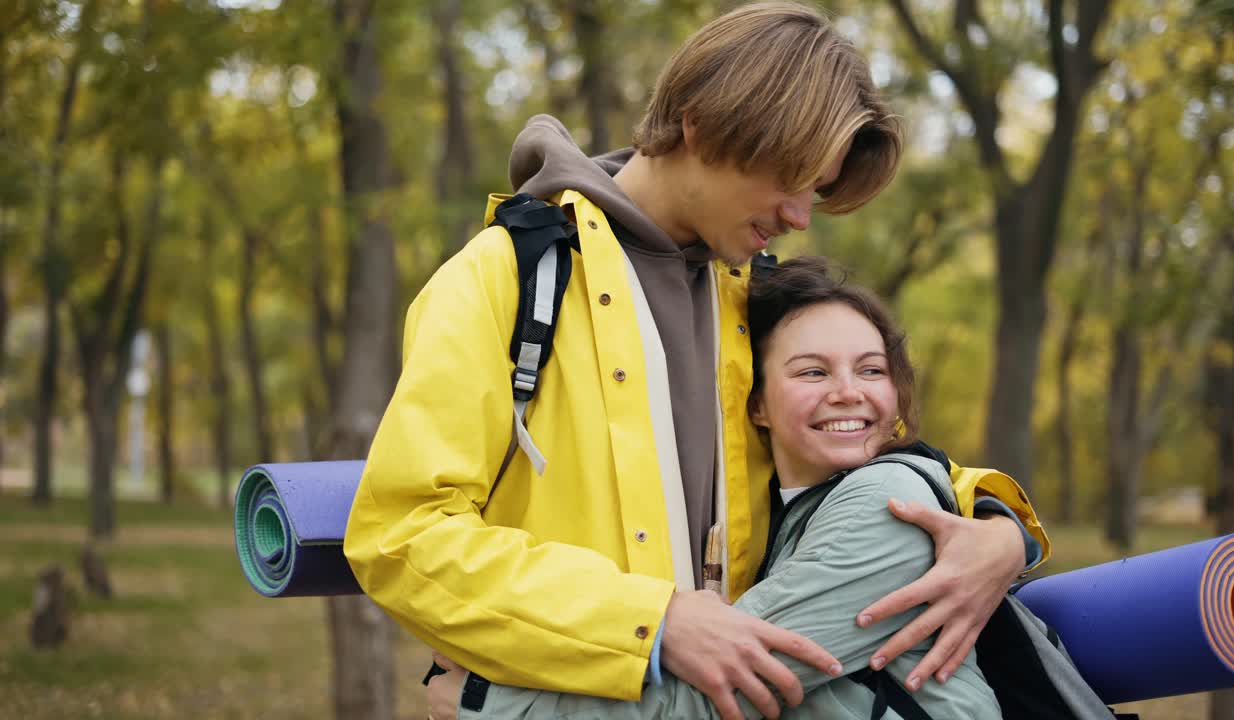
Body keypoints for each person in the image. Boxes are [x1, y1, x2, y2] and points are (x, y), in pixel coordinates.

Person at [343, 4, 1048, 720]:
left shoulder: (757, 298)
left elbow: (860, 451)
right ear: (702, 124)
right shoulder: (504, 280)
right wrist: (652, 622)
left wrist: (999, 531)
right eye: (792, 178)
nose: (801, 216)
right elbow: (402, 536)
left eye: (816, 190)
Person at [422, 257, 1003, 719]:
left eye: (872, 370)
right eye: (812, 371)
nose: (849, 391)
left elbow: (721, 696)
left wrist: (483, 706)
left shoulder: (887, 506)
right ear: (755, 404)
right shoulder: (772, 514)